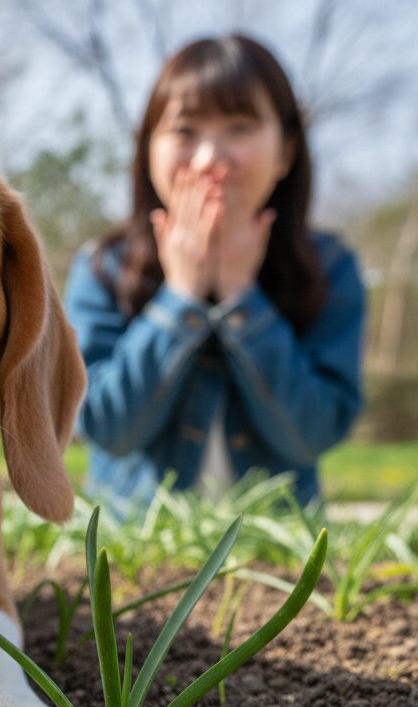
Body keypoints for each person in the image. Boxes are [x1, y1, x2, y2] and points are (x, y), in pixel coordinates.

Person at [64, 34, 365, 516]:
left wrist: (241, 298)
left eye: (240, 127)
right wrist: (181, 297)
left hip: (279, 543)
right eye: (184, 131)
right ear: (148, 149)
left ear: (286, 151)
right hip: (138, 546)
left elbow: (316, 433)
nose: (209, 160)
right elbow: (104, 428)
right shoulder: (103, 267)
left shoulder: (330, 269)